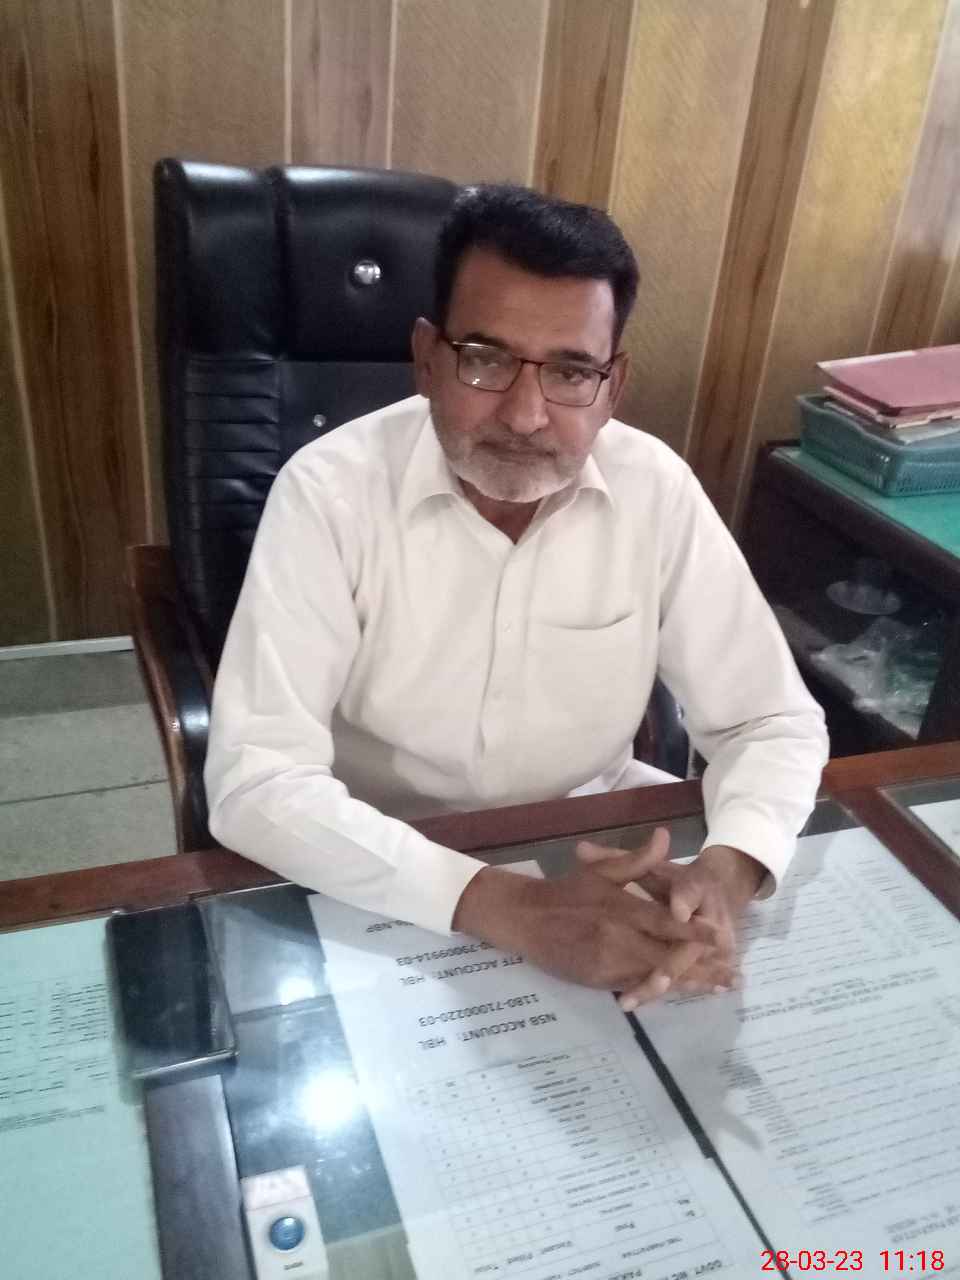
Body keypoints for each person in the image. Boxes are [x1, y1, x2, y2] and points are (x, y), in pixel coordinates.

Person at [205, 183, 828, 1009]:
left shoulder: (655, 489)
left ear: (613, 385)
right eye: (486, 359)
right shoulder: (327, 493)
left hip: (596, 843)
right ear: (428, 358)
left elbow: (770, 720)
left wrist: (729, 870)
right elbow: (256, 779)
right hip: (379, 857)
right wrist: (515, 908)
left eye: (571, 371)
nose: (527, 415)